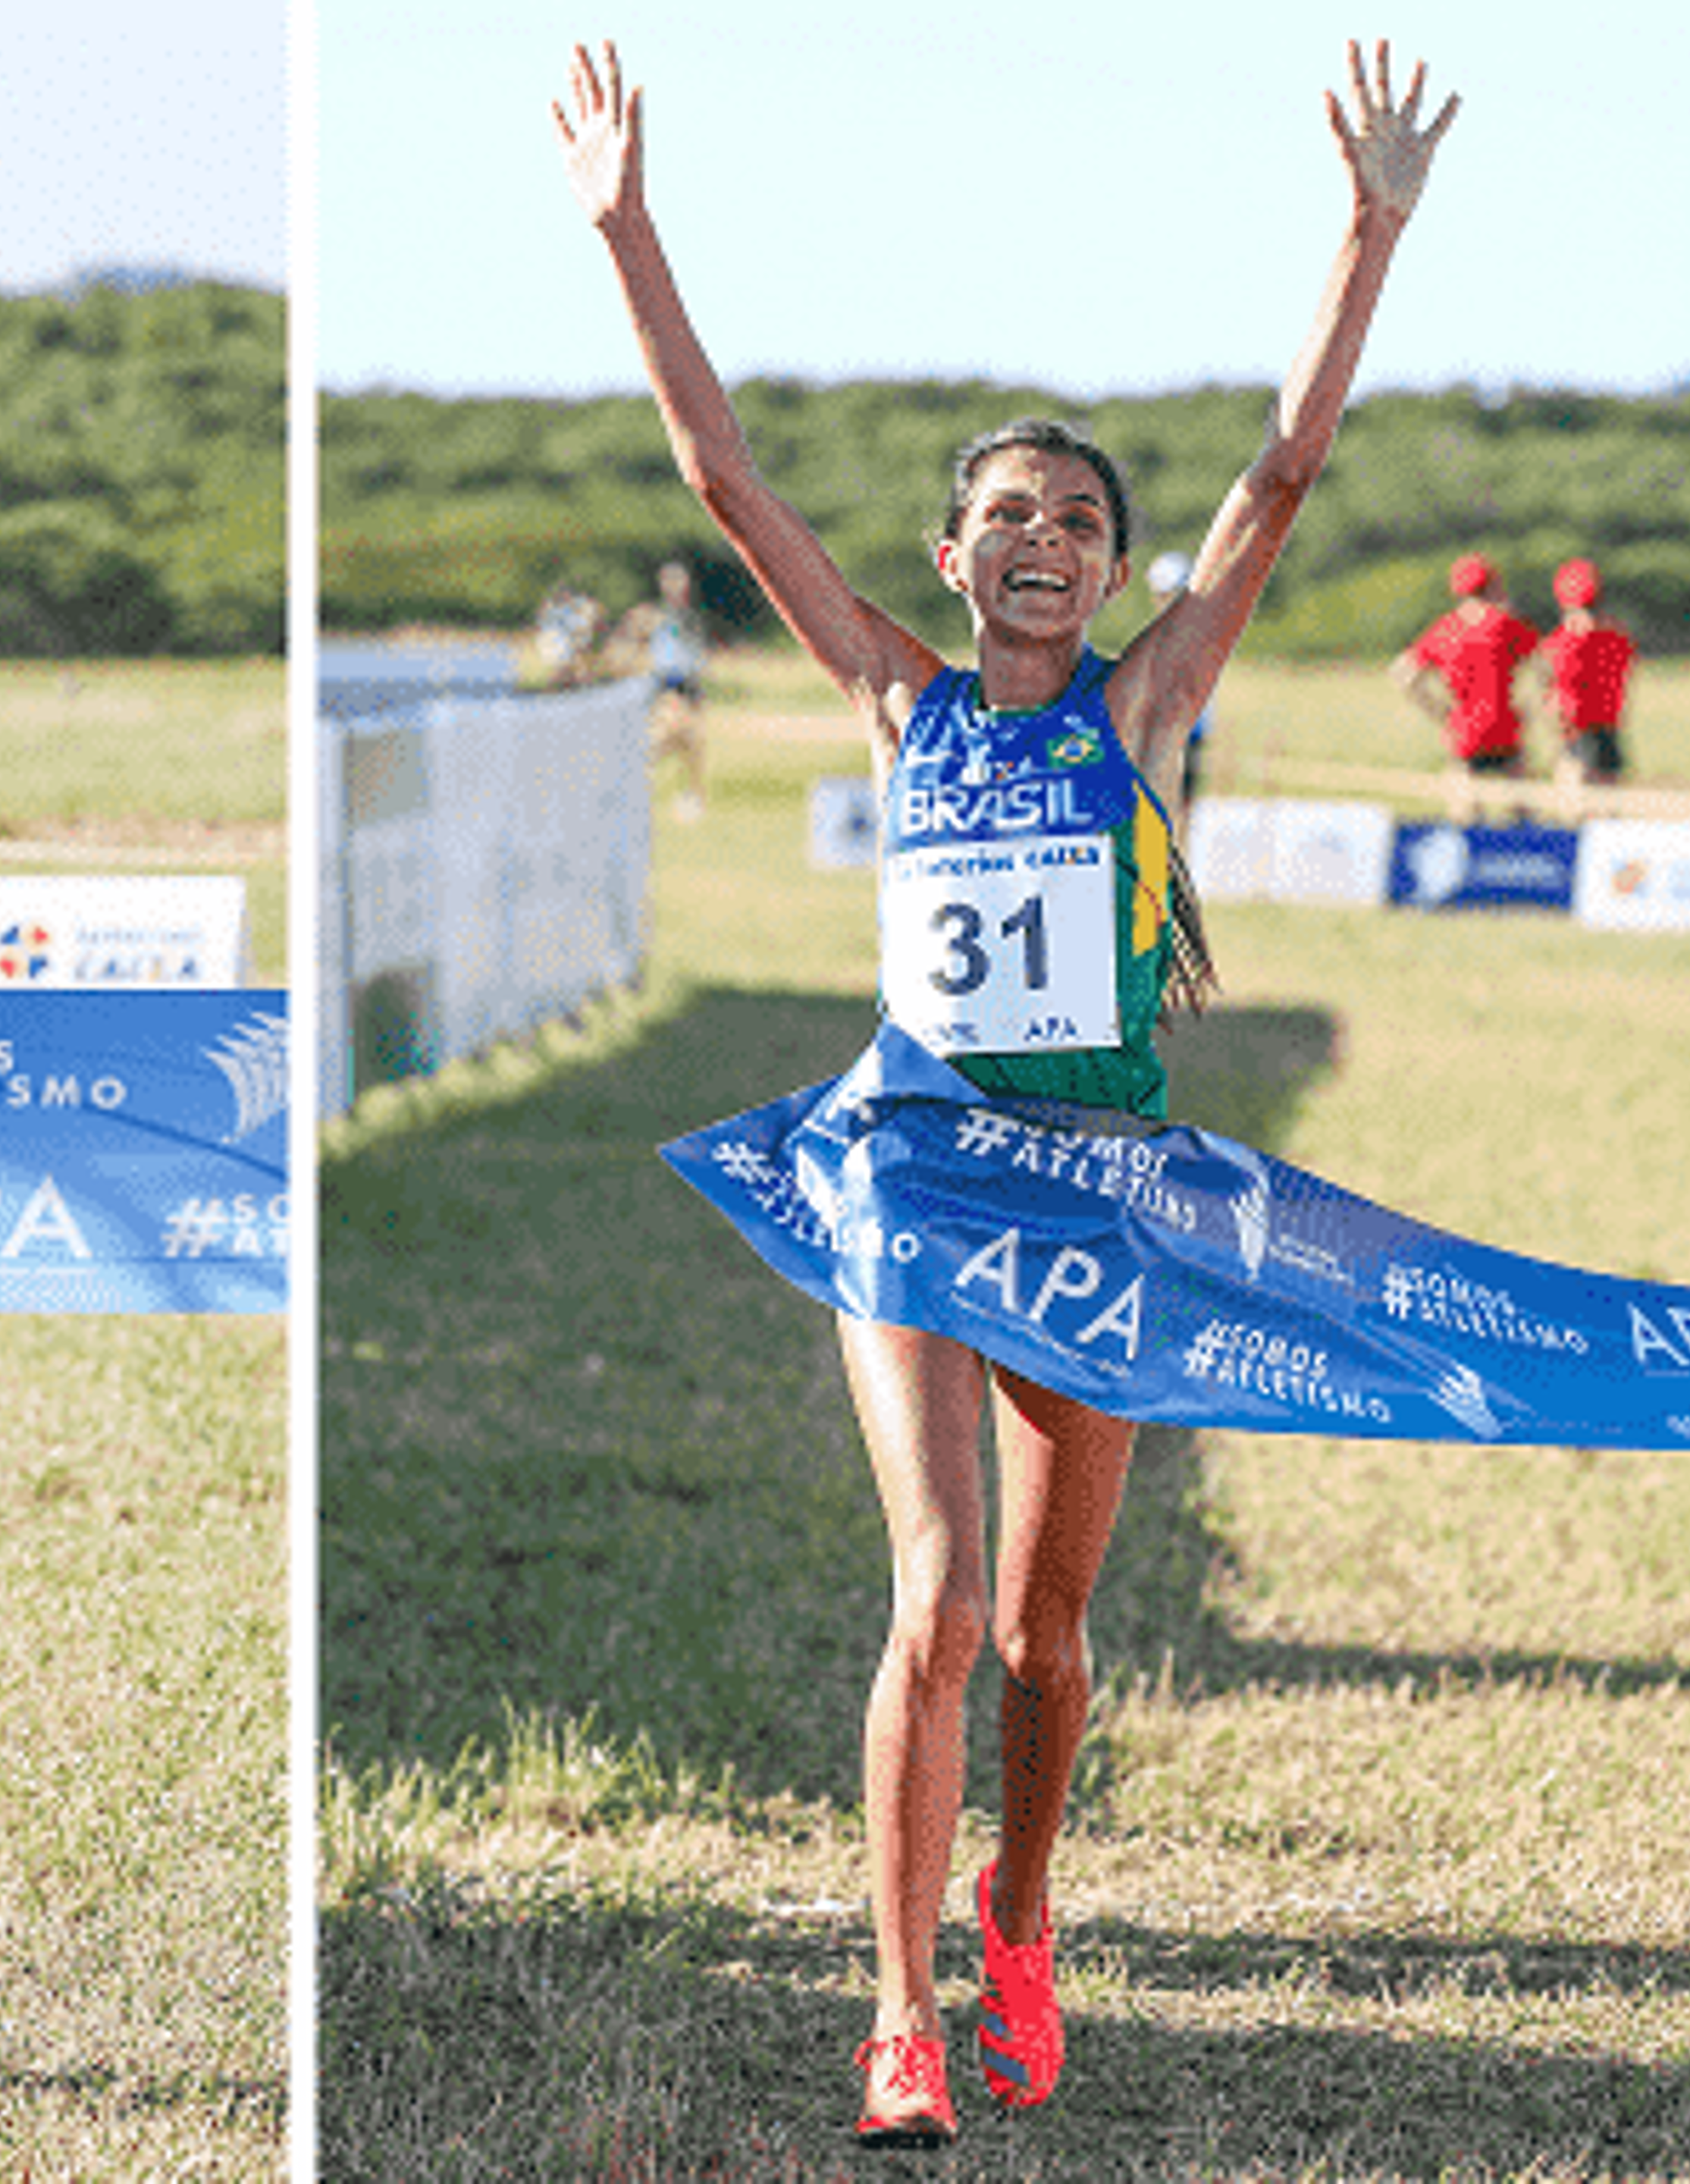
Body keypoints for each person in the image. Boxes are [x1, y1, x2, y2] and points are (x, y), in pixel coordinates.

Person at [557, 34, 1453, 2147]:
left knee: (1050, 1639)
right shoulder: (895, 699)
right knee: (939, 1599)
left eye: (1073, 519)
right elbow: (722, 480)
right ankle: (895, 2014)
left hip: (1105, 1195)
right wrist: (624, 228)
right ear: (950, 563)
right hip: (915, 1187)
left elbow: (1283, 478)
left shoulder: (1146, 707)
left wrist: (1371, 226)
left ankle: (1021, 1913)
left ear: (1114, 569)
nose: (1038, 540)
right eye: (1002, 519)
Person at [1393, 553, 1538, 821]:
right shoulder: (1507, 624)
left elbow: (1403, 674)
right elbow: (1544, 667)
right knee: (1522, 817)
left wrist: (1439, 711)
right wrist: (1530, 708)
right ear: (1493, 585)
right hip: (1505, 726)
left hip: (1464, 731)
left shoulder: (1447, 628)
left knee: (1464, 820)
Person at [1537, 555, 1637, 806]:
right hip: (1609, 729)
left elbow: (1552, 690)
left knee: (1574, 812)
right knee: (1609, 811)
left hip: (1575, 732)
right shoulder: (1618, 636)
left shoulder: (1559, 642)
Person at [617, 557, 709, 819]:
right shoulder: (656, 615)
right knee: (666, 736)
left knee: (692, 744)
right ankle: (637, 788)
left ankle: (691, 797)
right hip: (667, 681)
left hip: (688, 683)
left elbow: (696, 653)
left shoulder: (690, 617)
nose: (677, 586)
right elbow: (636, 639)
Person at [1145, 552, 1215, 812]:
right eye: (1162, 594)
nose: (1164, 601)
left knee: (1179, 811)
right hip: (1157, 736)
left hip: (1185, 734)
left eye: (1171, 594)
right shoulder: (1156, 637)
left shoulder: (1196, 638)